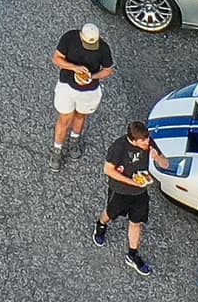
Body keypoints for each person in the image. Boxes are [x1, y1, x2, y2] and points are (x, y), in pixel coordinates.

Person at [98, 118, 158, 272]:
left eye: (147, 138)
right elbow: (108, 170)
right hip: (120, 191)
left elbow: (165, 163)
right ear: (133, 140)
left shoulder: (149, 143)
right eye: (143, 141)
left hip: (140, 193)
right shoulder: (119, 148)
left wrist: (158, 157)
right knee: (110, 213)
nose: (147, 142)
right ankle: (101, 224)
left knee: (136, 222)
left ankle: (132, 254)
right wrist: (132, 182)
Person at [52, 20, 114, 162]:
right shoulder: (69, 38)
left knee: (81, 116)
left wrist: (92, 76)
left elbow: (108, 70)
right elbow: (56, 58)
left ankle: (74, 140)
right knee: (64, 119)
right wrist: (74, 68)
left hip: (89, 89)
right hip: (67, 85)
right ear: (81, 35)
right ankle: (57, 149)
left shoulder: (103, 48)